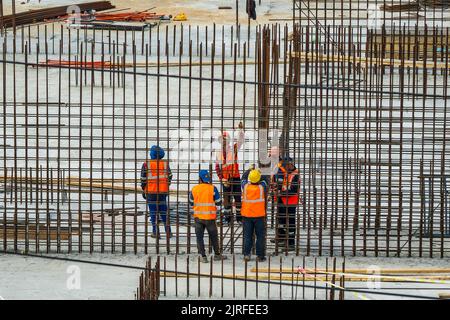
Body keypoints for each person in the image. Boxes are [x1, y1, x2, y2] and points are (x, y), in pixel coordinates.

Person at [189, 170, 227, 263]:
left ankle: (203, 256)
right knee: (214, 237)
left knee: (199, 237)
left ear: (200, 179)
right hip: (210, 218)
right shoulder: (213, 188)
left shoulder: (194, 189)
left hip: (198, 218)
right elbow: (218, 202)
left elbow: (191, 203)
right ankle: (217, 255)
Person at [215, 122, 245, 224]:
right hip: (225, 180)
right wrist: (221, 178)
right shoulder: (218, 152)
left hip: (235, 177)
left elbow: (241, 141)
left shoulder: (233, 149)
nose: (224, 142)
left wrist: (240, 130)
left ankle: (239, 219)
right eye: (222, 140)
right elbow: (217, 167)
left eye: (225, 140)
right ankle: (228, 219)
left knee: (238, 200)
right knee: (227, 201)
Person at [141, 145, 173, 239]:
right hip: (163, 192)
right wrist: (166, 185)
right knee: (164, 212)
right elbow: (170, 176)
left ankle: (155, 232)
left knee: (153, 212)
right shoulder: (165, 164)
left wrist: (144, 189)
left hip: (151, 192)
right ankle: (168, 232)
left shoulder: (147, 164)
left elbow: (143, 179)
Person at [241, 169, 268, 262]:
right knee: (260, 236)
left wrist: (249, 170)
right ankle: (260, 256)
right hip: (259, 216)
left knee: (247, 236)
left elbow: (243, 178)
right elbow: (265, 180)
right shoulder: (261, 187)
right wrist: (260, 172)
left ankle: (246, 255)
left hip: (247, 216)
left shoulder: (245, 187)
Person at [274, 156, 300, 250]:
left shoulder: (295, 175)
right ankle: (282, 238)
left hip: (290, 202)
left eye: (285, 166)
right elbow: (284, 185)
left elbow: (293, 190)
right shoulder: (287, 173)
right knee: (282, 220)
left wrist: (281, 192)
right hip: (283, 200)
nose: (284, 168)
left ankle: (290, 243)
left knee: (290, 223)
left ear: (290, 164)